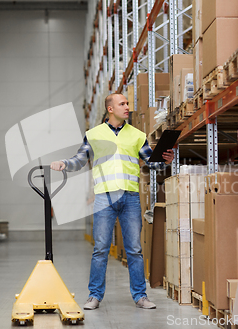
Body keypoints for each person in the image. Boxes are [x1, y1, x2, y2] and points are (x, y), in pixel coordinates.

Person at [50, 93, 174, 310]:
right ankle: (94, 296)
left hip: (130, 197)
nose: (127, 107)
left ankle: (140, 296)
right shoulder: (94, 134)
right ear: (110, 109)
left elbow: (151, 164)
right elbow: (80, 160)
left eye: (127, 103)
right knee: (100, 249)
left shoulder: (137, 135)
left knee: (134, 249)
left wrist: (164, 161)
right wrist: (63, 163)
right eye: (122, 104)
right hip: (104, 198)